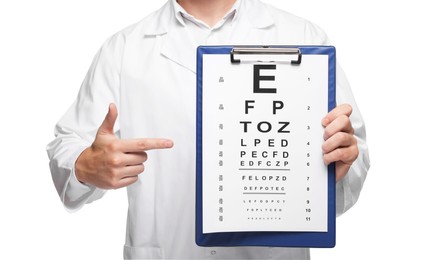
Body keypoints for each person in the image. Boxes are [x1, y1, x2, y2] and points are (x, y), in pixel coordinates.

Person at [47, 0, 370, 259]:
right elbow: (68, 145)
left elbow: (352, 157)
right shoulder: (124, 48)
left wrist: (341, 164)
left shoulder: (304, 38)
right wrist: (84, 166)